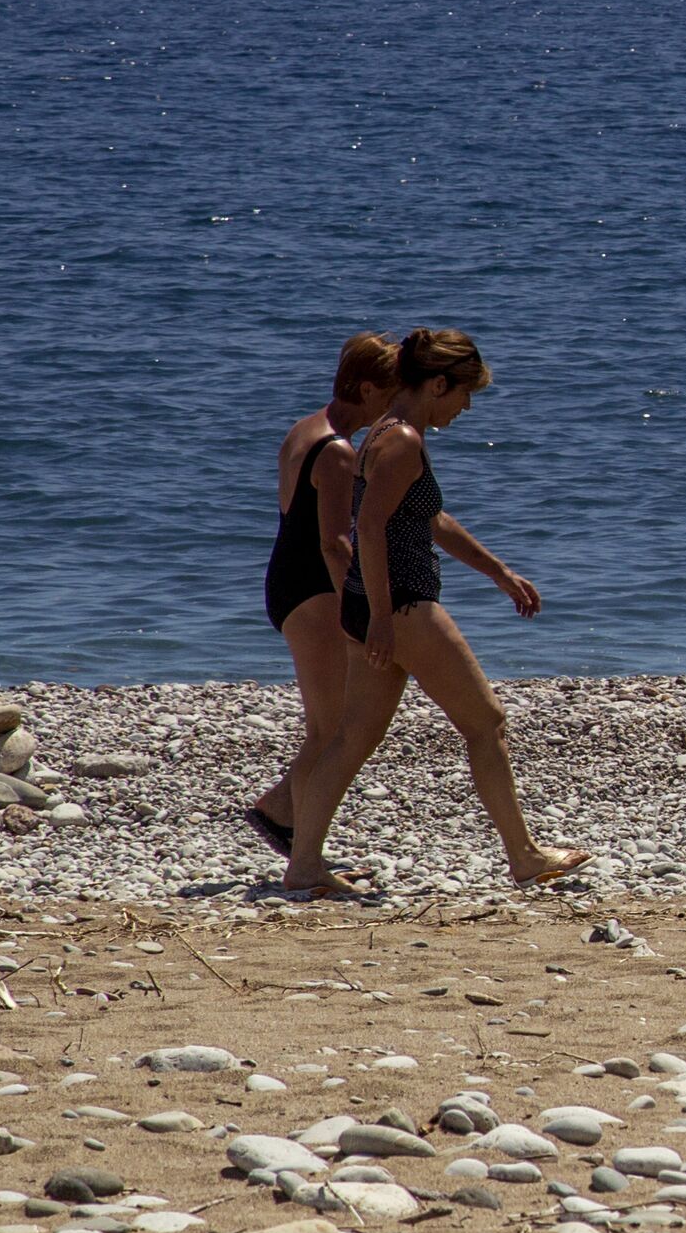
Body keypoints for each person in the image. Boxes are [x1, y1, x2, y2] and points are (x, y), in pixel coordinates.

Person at [281, 327, 590, 895]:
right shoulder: (402, 440)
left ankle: (303, 867)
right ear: (438, 384)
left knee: (351, 738)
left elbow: (430, 519)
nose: (466, 407)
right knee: (486, 722)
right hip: (402, 607)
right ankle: (524, 856)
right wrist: (381, 616)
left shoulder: (384, 432)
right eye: (464, 393)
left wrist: (498, 572)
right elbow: (370, 527)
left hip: (372, 604)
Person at [243, 332, 400, 853]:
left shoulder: (306, 428)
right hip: (313, 590)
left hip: (287, 580)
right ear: (368, 389)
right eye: (391, 394)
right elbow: (335, 544)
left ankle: (295, 831)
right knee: (334, 731)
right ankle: (283, 818)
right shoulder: (336, 451)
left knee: (328, 727)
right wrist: (364, 611)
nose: (395, 407)